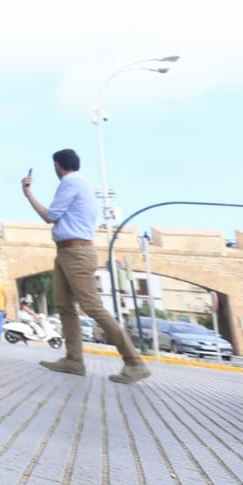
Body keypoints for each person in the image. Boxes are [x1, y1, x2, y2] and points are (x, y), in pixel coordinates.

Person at [23, 149, 150, 383]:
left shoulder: (70, 182)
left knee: (92, 306)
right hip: (66, 251)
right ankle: (73, 359)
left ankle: (134, 362)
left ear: (58, 165)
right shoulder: (83, 183)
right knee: (64, 305)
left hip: (76, 253)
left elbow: (50, 216)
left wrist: (28, 194)